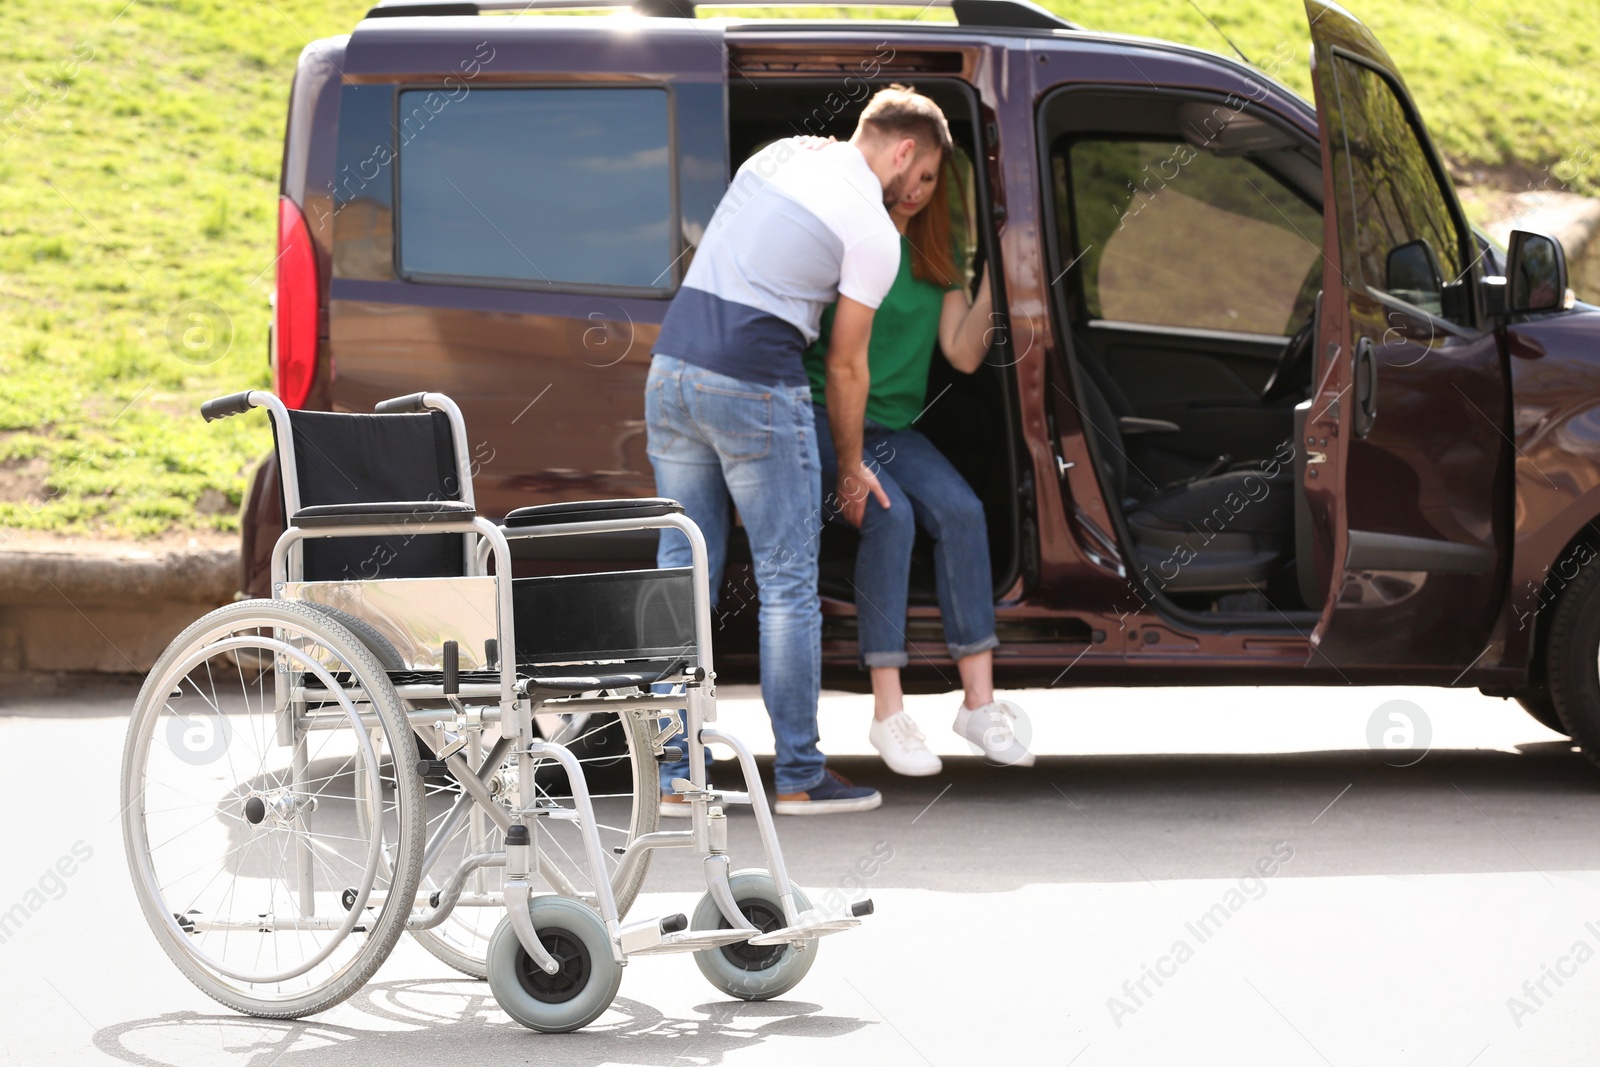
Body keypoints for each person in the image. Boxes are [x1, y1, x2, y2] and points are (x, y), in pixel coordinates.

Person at [646, 86, 954, 815]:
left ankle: (670, 777)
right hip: (754, 384)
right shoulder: (874, 234)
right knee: (788, 583)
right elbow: (847, 366)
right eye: (925, 174)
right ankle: (799, 774)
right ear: (905, 150)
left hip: (671, 372)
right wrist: (850, 467)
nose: (919, 192)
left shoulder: (778, 155)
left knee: (680, 574)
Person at [804, 154, 1035, 775]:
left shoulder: (935, 259)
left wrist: (999, 271)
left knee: (964, 512)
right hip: (827, 418)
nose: (913, 190)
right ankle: (888, 713)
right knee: (891, 514)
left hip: (894, 429)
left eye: (929, 180)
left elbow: (962, 355)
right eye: (905, 177)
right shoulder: (854, 243)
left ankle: (979, 707)